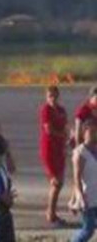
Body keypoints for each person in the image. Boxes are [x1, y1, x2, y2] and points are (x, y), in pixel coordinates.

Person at [41, 84, 71, 226]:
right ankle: (51, 214)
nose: (52, 98)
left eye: (54, 95)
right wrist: (63, 136)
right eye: (50, 96)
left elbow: (65, 126)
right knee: (56, 182)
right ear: (46, 97)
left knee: (60, 183)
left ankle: (52, 212)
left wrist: (68, 138)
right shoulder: (46, 110)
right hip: (49, 149)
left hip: (60, 149)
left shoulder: (61, 110)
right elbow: (49, 130)